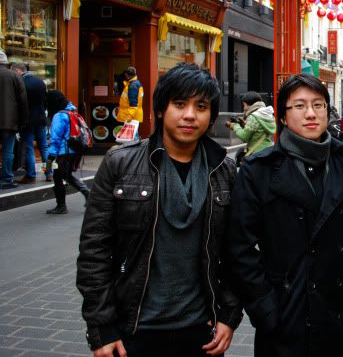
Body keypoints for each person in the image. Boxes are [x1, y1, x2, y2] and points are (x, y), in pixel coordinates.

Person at [77, 63, 242, 357]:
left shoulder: (224, 170)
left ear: (211, 116)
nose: (190, 115)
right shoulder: (120, 164)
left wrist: (229, 315)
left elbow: (234, 252)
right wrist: (101, 328)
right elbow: (95, 251)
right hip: (134, 327)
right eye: (179, 104)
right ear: (161, 109)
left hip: (201, 329)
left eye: (201, 106)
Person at [227, 74, 343, 357]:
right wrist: (264, 307)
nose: (310, 113)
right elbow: (240, 247)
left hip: (335, 313)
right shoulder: (258, 171)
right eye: (299, 106)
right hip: (284, 313)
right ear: (284, 117)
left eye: (318, 105)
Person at [43, 90, 90, 214]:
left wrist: (51, 156)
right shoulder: (72, 112)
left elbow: (56, 138)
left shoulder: (59, 116)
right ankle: (85, 194)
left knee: (58, 176)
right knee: (65, 175)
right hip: (75, 150)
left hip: (64, 151)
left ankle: (62, 206)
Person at [11, 63, 50, 184]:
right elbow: (45, 101)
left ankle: (31, 175)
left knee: (29, 148)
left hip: (27, 120)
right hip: (41, 118)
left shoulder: (21, 83)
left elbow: (20, 103)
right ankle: (49, 173)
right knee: (43, 147)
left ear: (18, 71)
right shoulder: (40, 82)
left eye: (13, 72)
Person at [0, 50, 27, 190]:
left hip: (8, 121)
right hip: (9, 121)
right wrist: (23, 121)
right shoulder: (14, 76)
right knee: (8, 151)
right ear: (6, 63)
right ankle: (6, 179)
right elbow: (23, 100)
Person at [226, 91, 276, 157]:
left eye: (244, 105)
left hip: (257, 154)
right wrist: (244, 124)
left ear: (250, 105)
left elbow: (244, 136)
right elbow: (258, 130)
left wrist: (235, 126)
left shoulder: (254, 117)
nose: (244, 108)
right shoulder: (266, 114)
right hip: (267, 151)